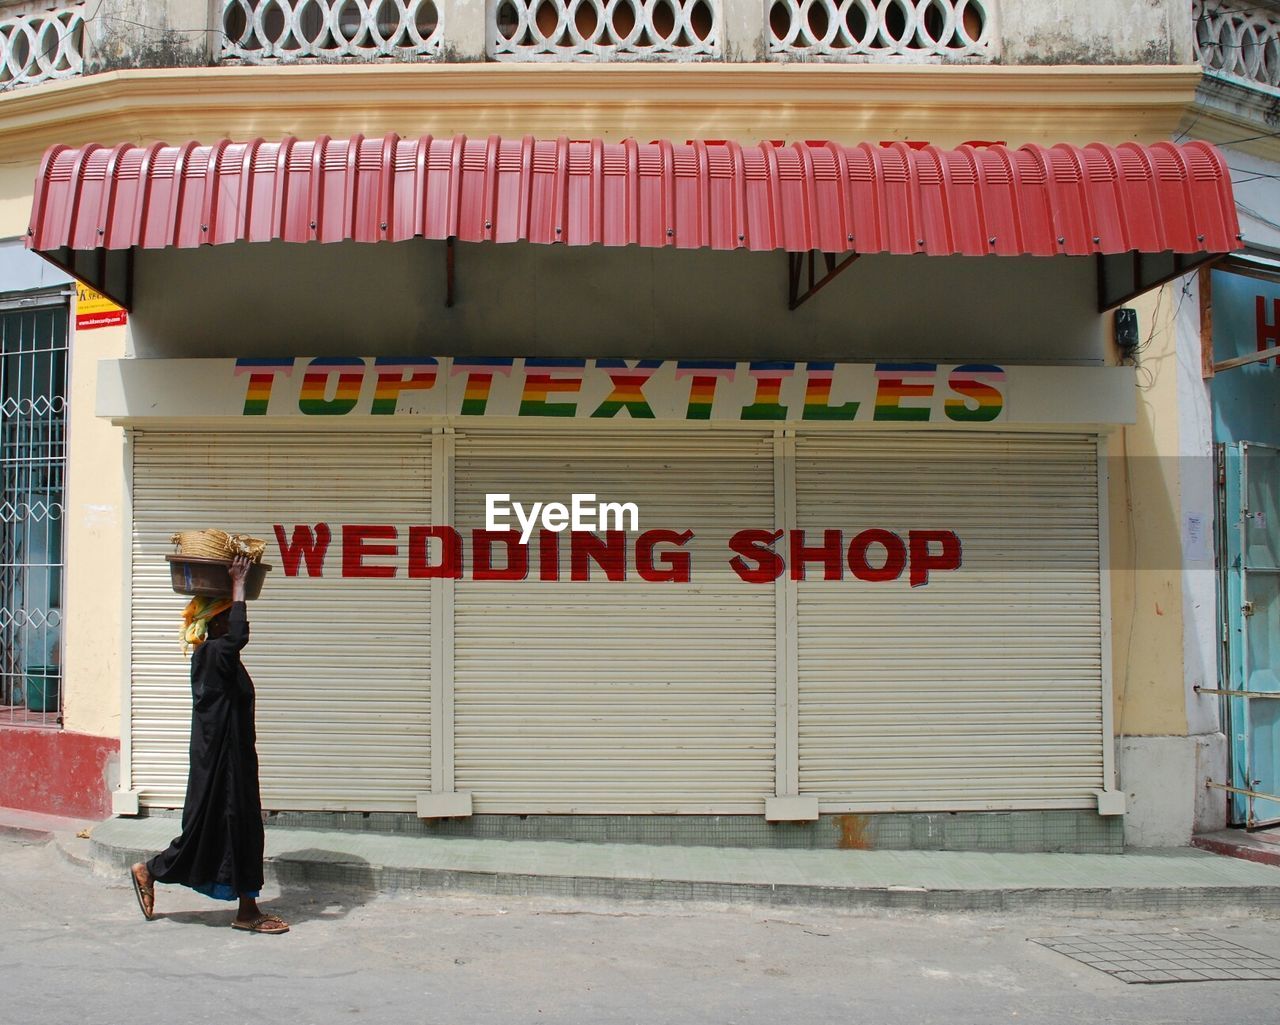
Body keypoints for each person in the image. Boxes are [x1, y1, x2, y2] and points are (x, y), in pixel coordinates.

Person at [130, 555, 288, 934]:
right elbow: (239, 635)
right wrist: (237, 584)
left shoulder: (217, 658)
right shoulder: (216, 652)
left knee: (238, 831)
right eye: (225, 615)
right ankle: (153, 870)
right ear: (216, 621)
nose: (229, 622)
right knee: (220, 830)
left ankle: (245, 908)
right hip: (222, 765)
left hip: (232, 760)